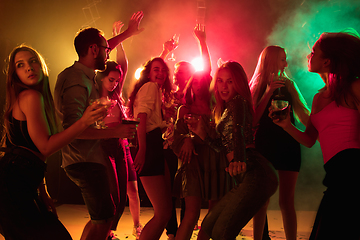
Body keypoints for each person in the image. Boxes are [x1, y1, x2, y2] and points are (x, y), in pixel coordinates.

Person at [0, 45, 107, 240]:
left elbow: (35, 154)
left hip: (21, 184)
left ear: (41, 66)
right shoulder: (30, 96)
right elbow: (45, 147)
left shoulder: (32, 97)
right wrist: (83, 122)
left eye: (33, 61)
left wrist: (43, 191)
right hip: (12, 187)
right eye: (20, 65)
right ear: (15, 75)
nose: (29, 68)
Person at [54, 11, 143, 240]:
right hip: (82, 160)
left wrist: (127, 33)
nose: (108, 52)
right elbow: (73, 130)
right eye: (105, 49)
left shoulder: (84, 75)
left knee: (102, 218)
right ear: (94, 50)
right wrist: (115, 132)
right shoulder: (76, 80)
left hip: (89, 158)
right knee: (105, 219)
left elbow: (105, 47)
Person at [270, 30, 360, 240]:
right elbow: (310, 140)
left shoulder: (354, 87)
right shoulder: (319, 97)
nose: (309, 56)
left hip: (353, 172)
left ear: (327, 61)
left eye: (314, 52)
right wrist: (286, 125)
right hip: (335, 175)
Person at [191, 61, 278, 240]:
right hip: (248, 173)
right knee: (208, 226)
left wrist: (239, 159)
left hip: (256, 171)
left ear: (238, 83)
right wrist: (202, 135)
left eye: (230, 81)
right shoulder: (226, 107)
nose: (224, 86)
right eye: (221, 81)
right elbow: (224, 147)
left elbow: (238, 128)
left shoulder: (238, 101)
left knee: (221, 231)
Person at [249, 46, 310, 240]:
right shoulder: (257, 84)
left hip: (288, 144)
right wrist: (268, 92)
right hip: (265, 146)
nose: (286, 63)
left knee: (286, 201)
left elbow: (302, 114)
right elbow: (251, 121)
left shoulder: (290, 84)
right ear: (272, 61)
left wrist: (323, 123)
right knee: (261, 199)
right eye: (283, 59)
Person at [160, 24, 211, 240]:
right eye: (177, 72)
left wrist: (202, 42)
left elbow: (207, 71)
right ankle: (172, 232)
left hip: (190, 146)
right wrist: (165, 52)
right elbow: (152, 74)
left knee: (186, 191)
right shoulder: (167, 93)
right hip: (167, 147)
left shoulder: (194, 97)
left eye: (184, 73)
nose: (179, 76)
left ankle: (185, 227)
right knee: (169, 192)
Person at [95, 20, 143, 240]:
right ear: (101, 78)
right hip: (105, 145)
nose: (115, 83)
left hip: (121, 145)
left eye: (117, 80)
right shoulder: (94, 97)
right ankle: (107, 230)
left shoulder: (116, 94)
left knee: (129, 191)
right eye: (111, 80)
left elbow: (123, 64)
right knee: (113, 193)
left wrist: (122, 37)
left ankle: (135, 226)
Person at [171, 70, 230, 240]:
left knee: (213, 216)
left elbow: (224, 137)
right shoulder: (184, 109)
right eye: (195, 81)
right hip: (193, 164)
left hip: (216, 162)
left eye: (202, 82)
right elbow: (176, 139)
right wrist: (187, 139)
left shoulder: (218, 109)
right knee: (191, 215)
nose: (198, 85)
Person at [127, 57, 173, 240]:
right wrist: (143, 150)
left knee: (166, 210)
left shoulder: (154, 90)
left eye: (163, 70)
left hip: (154, 144)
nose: (160, 73)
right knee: (163, 212)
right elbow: (142, 118)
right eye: (156, 69)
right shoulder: (150, 87)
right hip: (149, 144)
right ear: (148, 72)